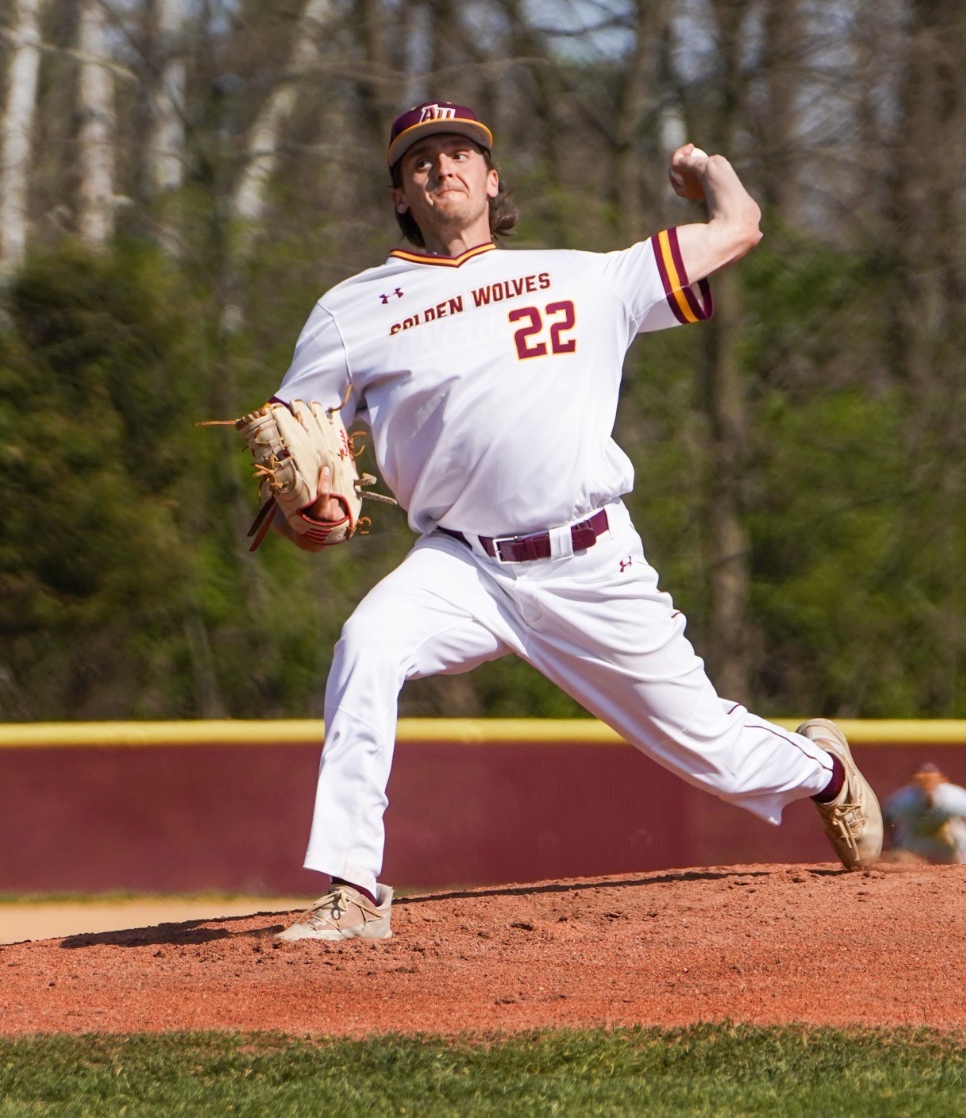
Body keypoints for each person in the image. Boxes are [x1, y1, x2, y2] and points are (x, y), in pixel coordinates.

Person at [261, 100, 884, 942]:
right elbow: (294, 449)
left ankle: (821, 770)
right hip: (462, 565)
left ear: (490, 179)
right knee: (367, 644)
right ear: (402, 195)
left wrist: (707, 170)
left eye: (457, 154)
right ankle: (353, 887)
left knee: (713, 750)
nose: (441, 168)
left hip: (588, 560)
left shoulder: (586, 276)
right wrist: (312, 513)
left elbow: (739, 226)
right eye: (419, 162)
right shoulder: (351, 310)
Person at [881, 762, 966, 865]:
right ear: (914, 781)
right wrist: (895, 843)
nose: (927, 783)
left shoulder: (953, 798)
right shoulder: (905, 799)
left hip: (945, 830)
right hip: (917, 832)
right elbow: (886, 817)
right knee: (899, 857)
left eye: (930, 779)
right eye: (923, 779)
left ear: (940, 780)